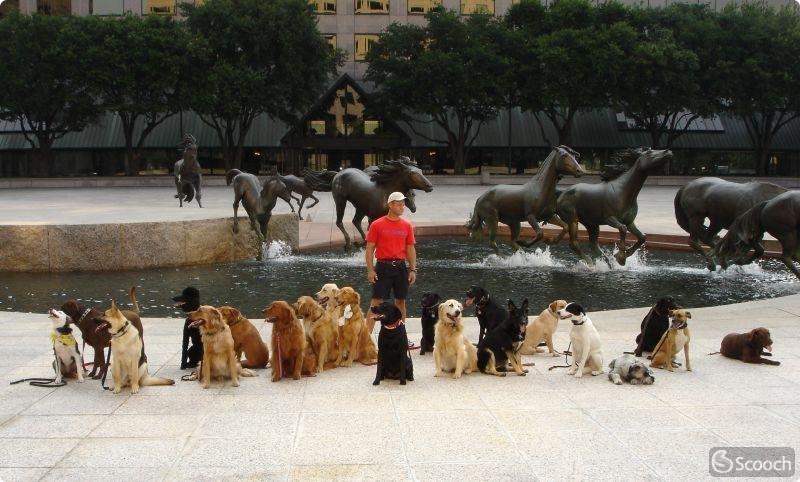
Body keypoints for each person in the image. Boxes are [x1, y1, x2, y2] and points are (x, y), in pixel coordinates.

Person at [365, 191, 417, 337]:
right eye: (399, 204)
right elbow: (369, 249)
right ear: (390, 205)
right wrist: (370, 270)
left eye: (403, 204)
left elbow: (410, 248)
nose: (402, 207)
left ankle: (401, 335)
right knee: (376, 302)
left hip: (401, 267)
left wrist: (413, 270)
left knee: (401, 301)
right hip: (382, 267)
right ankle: (365, 338)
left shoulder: (407, 225)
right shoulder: (377, 225)